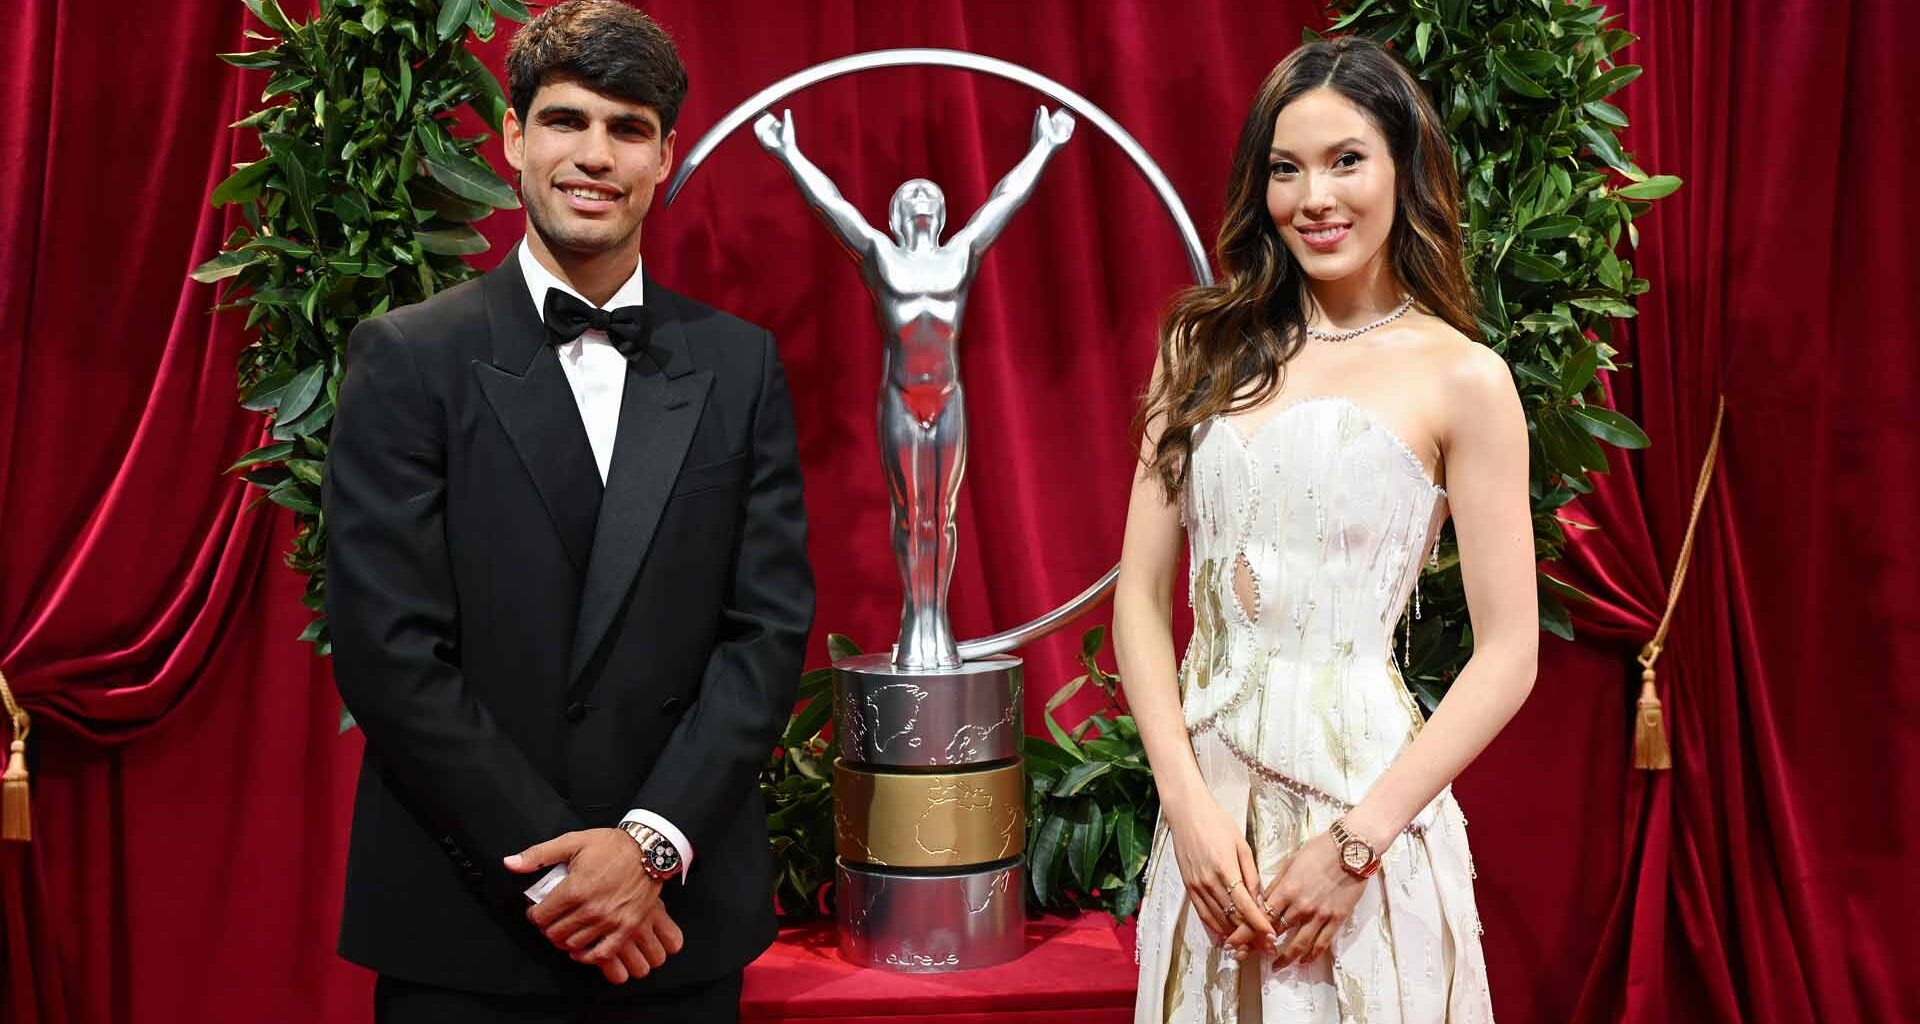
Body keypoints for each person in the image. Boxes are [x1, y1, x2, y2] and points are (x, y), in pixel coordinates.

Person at [323, 3, 814, 1021]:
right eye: (566, 120)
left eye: (627, 127)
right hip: (470, 924)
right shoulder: (407, 357)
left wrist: (644, 846)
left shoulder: (738, 363)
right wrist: (568, 876)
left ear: (665, 155)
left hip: (673, 925)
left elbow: (764, 635)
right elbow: (389, 654)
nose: (595, 154)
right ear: (511, 139)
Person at [1116, 36, 1535, 1022]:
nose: (1317, 198)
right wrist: (1182, 802)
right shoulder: (1201, 347)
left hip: (1366, 816)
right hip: (1208, 826)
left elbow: (1510, 650)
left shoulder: (1463, 378)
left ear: (1403, 168)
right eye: (1286, 168)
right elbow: (1138, 598)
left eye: (1347, 160)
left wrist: (1358, 842)